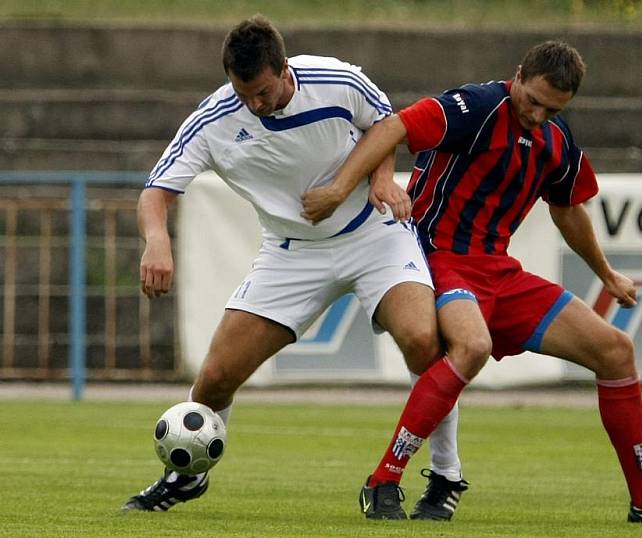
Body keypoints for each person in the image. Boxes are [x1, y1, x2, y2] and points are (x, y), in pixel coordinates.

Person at [302, 41, 642, 524]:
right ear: (518, 75)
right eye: (533, 100)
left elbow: (567, 209)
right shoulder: (475, 107)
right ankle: (384, 479)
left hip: (498, 271)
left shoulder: (556, 140)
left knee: (616, 349)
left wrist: (605, 273)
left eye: (552, 109)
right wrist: (345, 188)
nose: (538, 115)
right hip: (436, 257)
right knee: (472, 345)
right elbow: (394, 124)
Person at [121, 15, 466, 518]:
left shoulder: (337, 79)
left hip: (375, 236)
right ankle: (185, 478)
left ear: (285, 70)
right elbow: (157, 192)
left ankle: (445, 475)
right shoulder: (214, 118)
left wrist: (381, 181)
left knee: (422, 340)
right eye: (244, 94)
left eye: (263, 91)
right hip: (293, 253)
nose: (255, 104)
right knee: (215, 378)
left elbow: (385, 124)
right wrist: (157, 241)